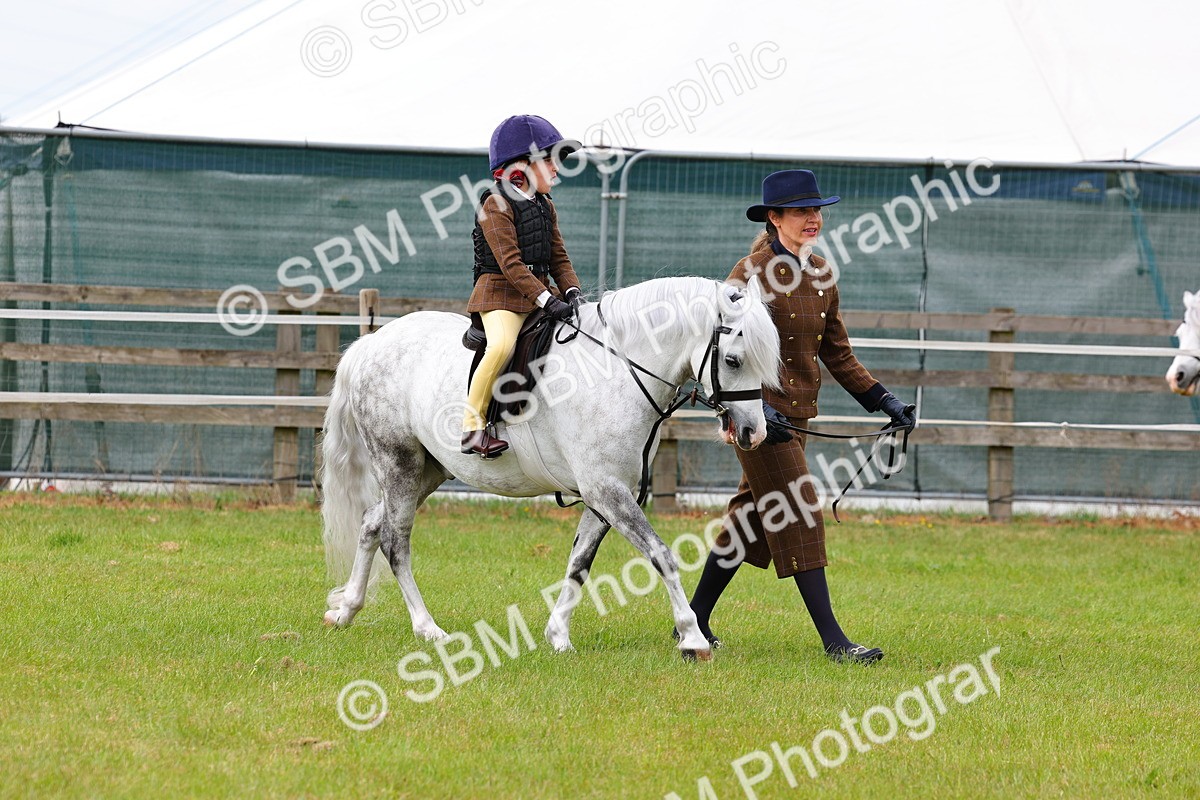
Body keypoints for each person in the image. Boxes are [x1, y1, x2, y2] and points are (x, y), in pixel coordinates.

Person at [685, 169, 917, 663]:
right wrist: (737, 411)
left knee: (749, 520)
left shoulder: (822, 272)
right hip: (758, 420)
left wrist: (884, 400)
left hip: (799, 417)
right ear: (774, 219)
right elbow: (719, 349)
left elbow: (838, 353)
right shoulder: (749, 273)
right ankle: (836, 644)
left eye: (817, 210)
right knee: (801, 511)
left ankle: (694, 618)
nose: (813, 219)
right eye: (800, 212)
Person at [461, 115, 585, 458]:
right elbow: (511, 264)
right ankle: (472, 428)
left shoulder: (545, 205)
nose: (557, 170)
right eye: (550, 161)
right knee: (501, 346)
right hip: (500, 294)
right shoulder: (494, 204)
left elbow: (559, 256)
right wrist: (547, 299)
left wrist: (572, 292)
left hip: (538, 293)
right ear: (521, 167)